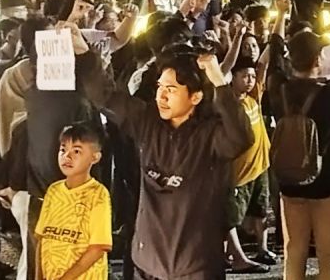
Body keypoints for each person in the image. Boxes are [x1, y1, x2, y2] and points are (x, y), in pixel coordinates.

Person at [78, 29, 255, 280]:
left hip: (194, 266)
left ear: (195, 96)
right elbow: (105, 96)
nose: (161, 95)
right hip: (147, 262)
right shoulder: (147, 121)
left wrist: (219, 82)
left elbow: (242, 137)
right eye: (160, 86)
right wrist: (83, 53)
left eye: (171, 89)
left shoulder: (211, 136)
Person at [268, 30, 330, 280]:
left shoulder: (278, 89)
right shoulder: (329, 93)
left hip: (290, 181)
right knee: (328, 256)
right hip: (325, 181)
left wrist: (280, 21)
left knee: (294, 251)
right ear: (318, 60)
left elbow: (275, 56)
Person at [34, 123, 112, 280]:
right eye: (63, 150)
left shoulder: (98, 194)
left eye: (76, 151)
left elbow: (97, 249)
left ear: (95, 157)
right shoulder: (53, 191)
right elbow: (42, 239)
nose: (67, 156)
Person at [225, 59, 275, 274]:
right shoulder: (226, 104)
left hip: (260, 167)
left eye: (252, 77)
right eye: (245, 76)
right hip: (238, 173)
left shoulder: (253, 98)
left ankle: (262, 249)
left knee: (260, 209)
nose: (250, 81)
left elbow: (263, 64)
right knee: (231, 216)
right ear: (233, 78)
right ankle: (235, 256)